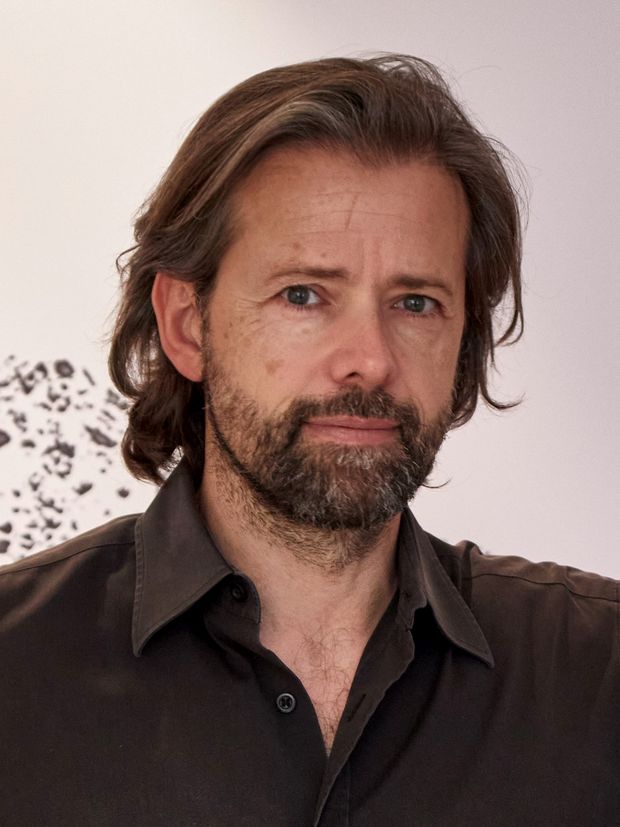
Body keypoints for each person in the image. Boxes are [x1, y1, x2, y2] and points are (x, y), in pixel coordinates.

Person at [1, 55, 618, 826]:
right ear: (187, 325)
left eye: (416, 302)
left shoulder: (598, 676)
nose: (370, 358)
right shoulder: (14, 670)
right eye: (304, 294)